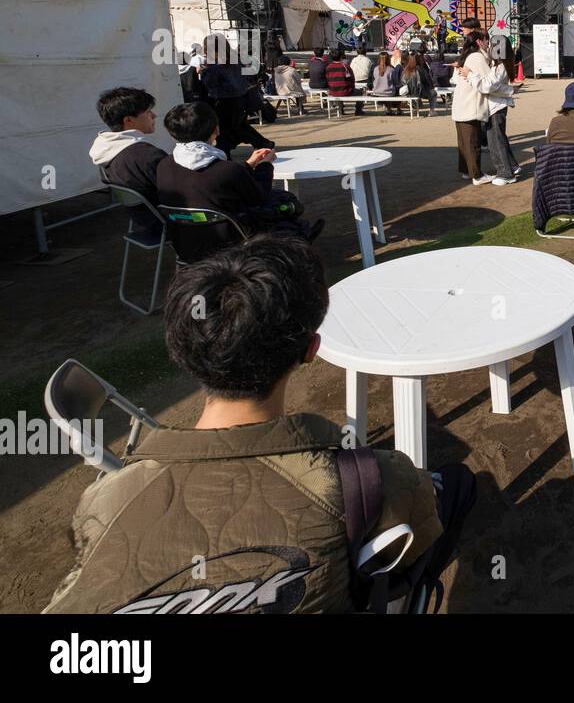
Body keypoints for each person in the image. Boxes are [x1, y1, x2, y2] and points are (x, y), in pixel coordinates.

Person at [44, 236, 475, 614]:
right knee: (458, 484)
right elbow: (416, 537)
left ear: (183, 350)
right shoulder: (371, 476)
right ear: (311, 350)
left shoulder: (106, 500)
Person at [155, 102, 318, 258]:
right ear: (216, 130)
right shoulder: (227, 170)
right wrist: (265, 165)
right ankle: (300, 236)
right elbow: (259, 196)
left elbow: (215, 181)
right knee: (282, 200)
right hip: (232, 243)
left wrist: (247, 165)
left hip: (187, 245)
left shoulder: (164, 165)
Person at [90, 87, 167, 242]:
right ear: (128, 120)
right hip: (169, 222)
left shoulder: (107, 150)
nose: (154, 115)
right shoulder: (145, 156)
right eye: (148, 112)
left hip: (143, 220)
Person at [202, 36, 273, 157]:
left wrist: (204, 72)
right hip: (240, 98)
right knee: (239, 126)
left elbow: (209, 83)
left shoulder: (215, 64)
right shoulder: (236, 60)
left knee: (224, 131)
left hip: (223, 100)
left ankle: (225, 156)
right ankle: (264, 143)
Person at [466, 34, 520, 185]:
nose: (490, 47)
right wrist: (510, 91)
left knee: (495, 141)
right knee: (498, 139)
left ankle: (505, 173)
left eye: (492, 45)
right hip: (496, 105)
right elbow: (495, 87)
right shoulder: (499, 64)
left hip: (496, 107)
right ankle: (512, 166)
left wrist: (470, 75)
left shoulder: (499, 65)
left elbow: (488, 86)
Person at [452, 29, 494, 185]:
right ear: (479, 42)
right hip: (470, 105)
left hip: (461, 104)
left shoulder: (467, 56)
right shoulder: (477, 57)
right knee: (472, 142)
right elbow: (489, 81)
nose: (488, 44)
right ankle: (477, 175)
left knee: (464, 143)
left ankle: (466, 171)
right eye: (486, 40)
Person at [349, 45, 372, 115]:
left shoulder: (353, 60)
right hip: (365, 80)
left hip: (354, 80)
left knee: (359, 92)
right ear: (365, 53)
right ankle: (358, 109)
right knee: (360, 92)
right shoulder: (368, 60)